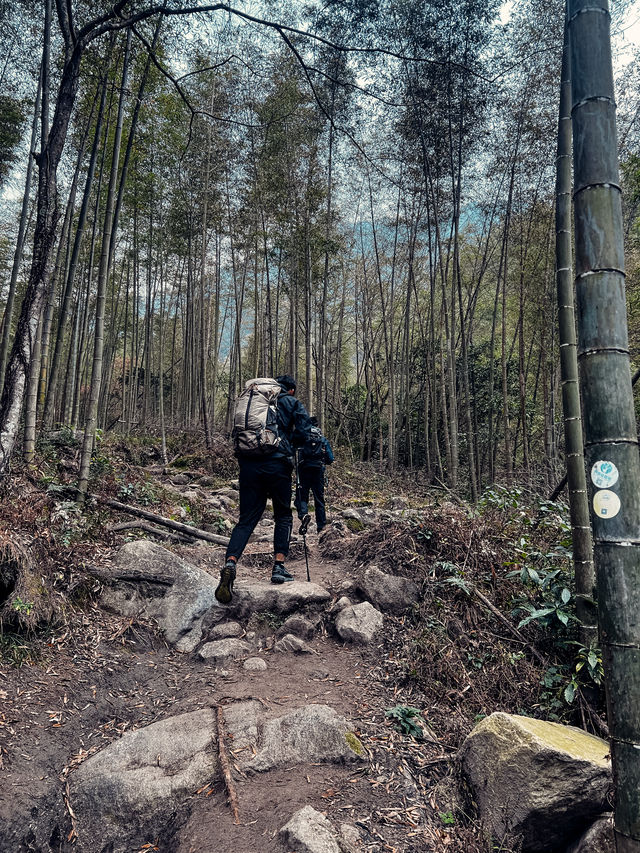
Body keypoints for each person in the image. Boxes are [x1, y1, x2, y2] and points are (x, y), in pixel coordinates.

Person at [215, 374, 312, 604]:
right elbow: (305, 431)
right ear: (290, 390)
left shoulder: (253, 399)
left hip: (248, 465)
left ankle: (230, 563)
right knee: (283, 516)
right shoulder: (289, 401)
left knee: (246, 519)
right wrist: (292, 443)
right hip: (277, 465)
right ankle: (279, 567)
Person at [295, 416, 334, 535]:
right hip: (318, 471)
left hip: (304, 470)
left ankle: (303, 514)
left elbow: (295, 453)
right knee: (319, 499)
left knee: (302, 496)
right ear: (317, 425)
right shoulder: (322, 439)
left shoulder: (302, 437)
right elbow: (330, 458)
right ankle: (321, 527)